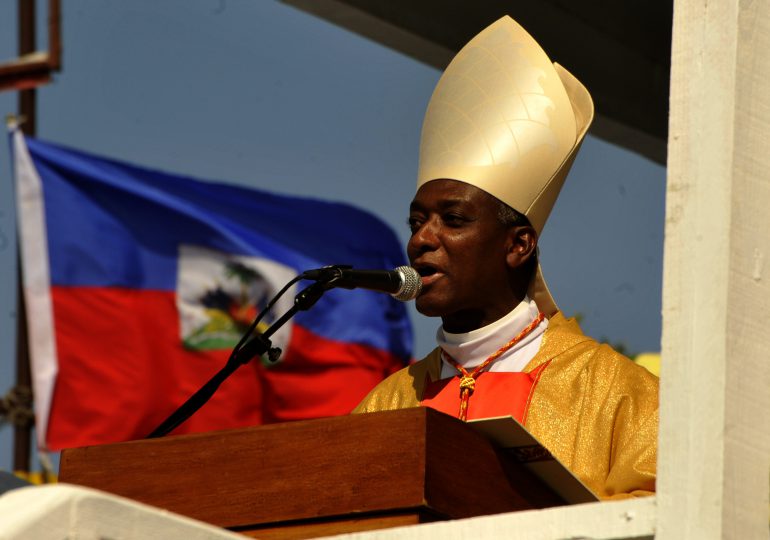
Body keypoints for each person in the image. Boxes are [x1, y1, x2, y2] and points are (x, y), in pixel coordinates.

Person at [353, 15, 658, 499]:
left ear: (518, 245)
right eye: (416, 222)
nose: (420, 241)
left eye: (452, 220)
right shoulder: (387, 405)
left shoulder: (616, 394)